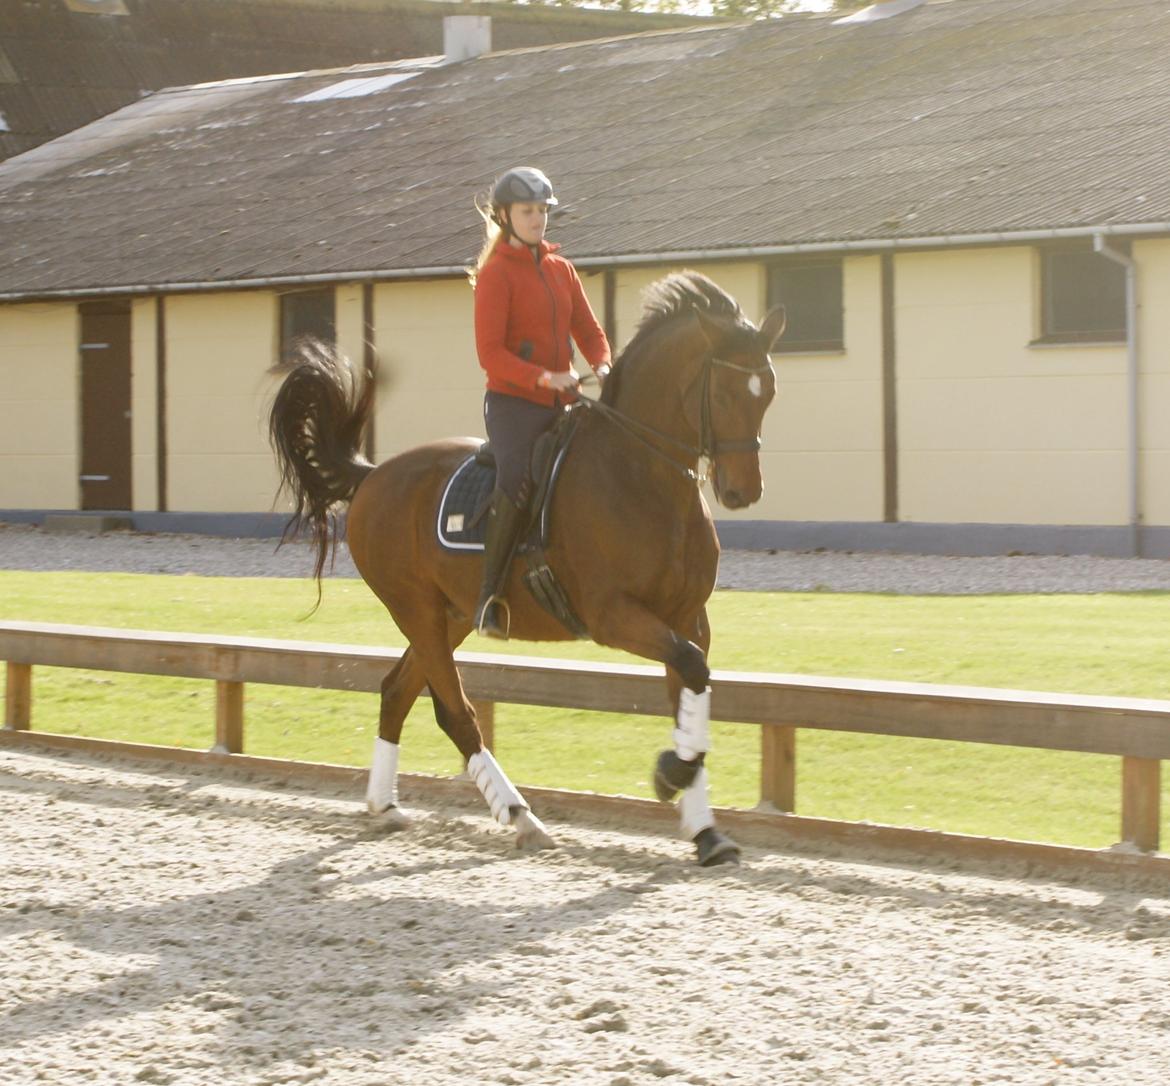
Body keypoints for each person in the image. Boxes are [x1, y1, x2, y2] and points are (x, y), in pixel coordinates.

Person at [470, 166, 612, 639]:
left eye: (542, 212)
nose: (537, 220)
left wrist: (605, 365)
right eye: (527, 211)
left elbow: (590, 333)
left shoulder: (561, 269)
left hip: (562, 399)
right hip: (513, 405)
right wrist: (543, 377)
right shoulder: (495, 275)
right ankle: (489, 596)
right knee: (517, 474)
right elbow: (490, 355)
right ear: (505, 216)